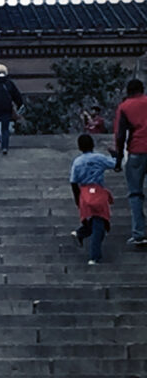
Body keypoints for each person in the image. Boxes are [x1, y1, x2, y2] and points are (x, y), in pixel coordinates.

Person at [69, 134, 117, 264]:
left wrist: (77, 200)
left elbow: (73, 182)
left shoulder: (77, 162)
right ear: (93, 145)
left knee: (93, 222)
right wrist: (114, 154)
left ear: (79, 147)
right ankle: (94, 256)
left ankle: (81, 233)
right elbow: (115, 164)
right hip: (98, 192)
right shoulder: (99, 158)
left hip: (84, 193)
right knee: (99, 224)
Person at [114, 78, 147, 246]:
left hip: (136, 152)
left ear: (128, 91)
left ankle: (139, 233)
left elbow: (120, 135)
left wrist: (119, 159)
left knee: (135, 193)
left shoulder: (125, 107)